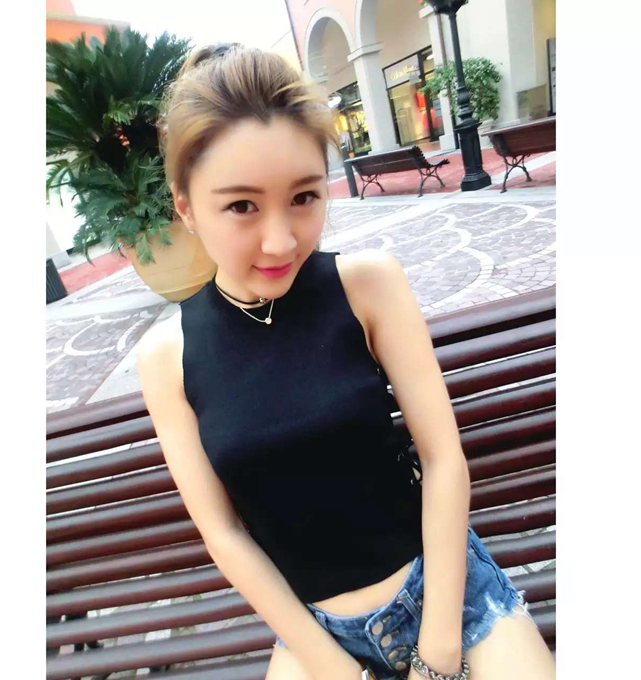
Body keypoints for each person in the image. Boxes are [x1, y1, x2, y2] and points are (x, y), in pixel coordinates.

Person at [137, 44, 556, 680]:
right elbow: (224, 534)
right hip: (318, 639)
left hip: (448, 599)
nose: (281, 240)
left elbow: (442, 458)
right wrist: (337, 669)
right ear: (186, 207)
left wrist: (437, 652)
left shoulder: (367, 285)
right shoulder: (169, 357)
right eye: (242, 205)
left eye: (304, 196)